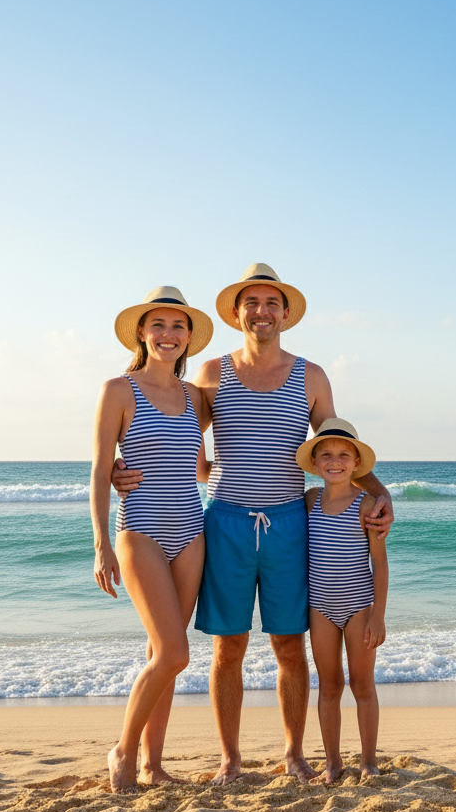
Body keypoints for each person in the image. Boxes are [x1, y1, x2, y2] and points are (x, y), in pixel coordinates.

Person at [111, 263, 394, 785]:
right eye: (252, 303)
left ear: (285, 313)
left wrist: (378, 490)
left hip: (289, 524)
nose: (261, 312)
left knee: (289, 644)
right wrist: (116, 467)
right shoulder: (210, 374)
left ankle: (293, 753)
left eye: (271, 303)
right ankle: (230, 760)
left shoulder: (311, 375)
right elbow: (176, 440)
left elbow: (337, 446)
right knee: (229, 647)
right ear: (237, 311)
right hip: (224, 523)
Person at [91, 286, 214, 792]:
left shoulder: (195, 398)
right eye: (158, 325)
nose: (169, 335)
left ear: (189, 338)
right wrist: (101, 544)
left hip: (191, 530)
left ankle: (152, 764)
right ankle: (122, 750)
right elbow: (101, 470)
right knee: (174, 652)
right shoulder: (118, 390)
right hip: (140, 529)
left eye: (178, 327)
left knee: (162, 654)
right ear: (142, 332)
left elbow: (204, 463)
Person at [296, 420, 388, 785]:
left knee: (362, 684)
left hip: (359, 607)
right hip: (320, 608)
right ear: (316, 462)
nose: (335, 462)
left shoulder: (367, 504)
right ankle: (332, 764)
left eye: (344, 456)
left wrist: (377, 616)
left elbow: (379, 564)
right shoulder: (310, 500)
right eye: (327, 455)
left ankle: (368, 761)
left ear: (356, 464)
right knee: (329, 685)